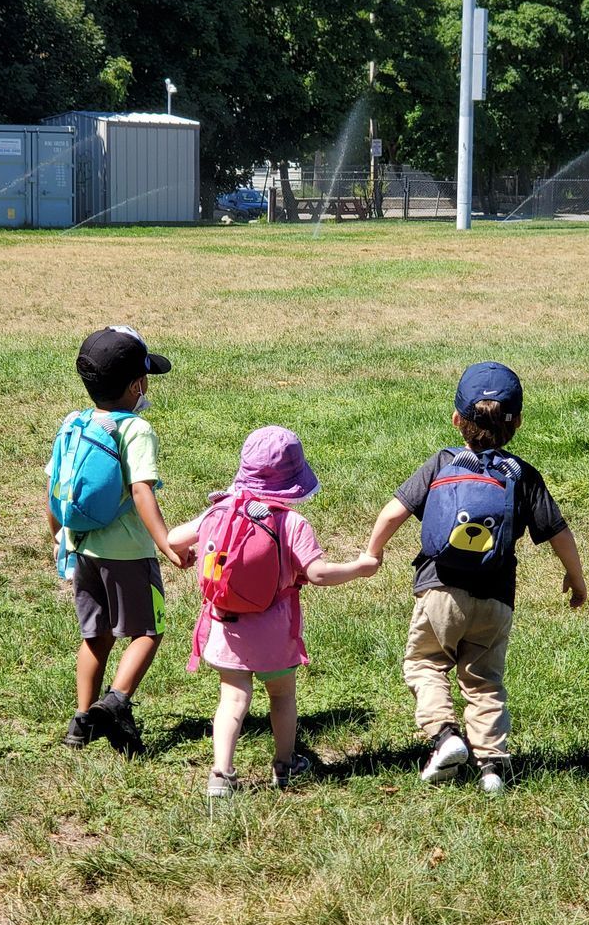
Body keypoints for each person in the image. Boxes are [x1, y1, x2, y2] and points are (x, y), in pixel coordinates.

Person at [364, 362, 587, 794]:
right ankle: (491, 768)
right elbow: (559, 534)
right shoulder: (522, 475)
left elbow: (393, 511)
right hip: (496, 599)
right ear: (517, 423)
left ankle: (446, 737)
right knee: (484, 680)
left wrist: (373, 552)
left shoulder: (444, 462)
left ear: (456, 420)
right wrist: (576, 580)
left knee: (425, 663)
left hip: (439, 590)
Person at [168, 426, 379, 796]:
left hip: (225, 626)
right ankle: (285, 765)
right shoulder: (291, 522)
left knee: (232, 699)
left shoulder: (220, 510)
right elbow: (318, 573)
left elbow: (173, 539)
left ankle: (220, 773)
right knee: (281, 696)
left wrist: (187, 553)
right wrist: (360, 568)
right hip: (274, 633)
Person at [46, 326, 191, 752]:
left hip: (83, 549)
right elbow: (142, 490)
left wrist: (58, 535)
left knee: (96, 636)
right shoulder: (135, 430)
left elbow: (56, 485)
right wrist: (165, 542)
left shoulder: (73, 423)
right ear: (135, 385)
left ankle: (80, 720)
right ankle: (116, 703)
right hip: (128, 554)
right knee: (149, 629)